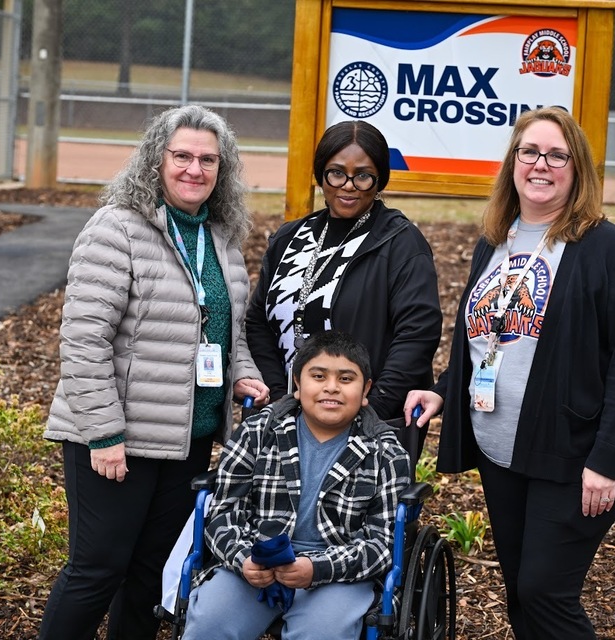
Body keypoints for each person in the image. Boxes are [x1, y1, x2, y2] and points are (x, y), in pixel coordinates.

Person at [404, 107, 615, 639]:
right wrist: (444, 391)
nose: (541, 165)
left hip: (575, 453)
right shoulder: (496, 239)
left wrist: (605, 460)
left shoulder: (608, 249)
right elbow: (484, 337)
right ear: (513, 162)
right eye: (530, 152)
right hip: (503, 450)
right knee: (521, 591)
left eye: (557, 155)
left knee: (545, 592)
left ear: (577, 168)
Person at [39, 104, 270, 640]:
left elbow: (227, 328)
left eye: (208, 160)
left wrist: (242, 374)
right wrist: (104, 434)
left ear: (222, 169)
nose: (195, 169)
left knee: (151, 577)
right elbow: (84, 340)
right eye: (182, 156)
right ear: (155, 160)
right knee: (97, 571)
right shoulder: (117, 228)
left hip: (189, 438)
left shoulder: (221, 237)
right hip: (121, 439)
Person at [181, 330, 411, 640]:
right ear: (297, 384)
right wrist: (243, 558)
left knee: (321, 633)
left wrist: (317, 568)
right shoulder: (258, 432)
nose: (332, 387)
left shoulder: (385, 452)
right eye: (318, 376)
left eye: (346, 379)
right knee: (210, 623)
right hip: (258, 562)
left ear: (365, 389)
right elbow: (224, 513)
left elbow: (382, 544)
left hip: (339, 574)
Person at [246, 120, 442, 423]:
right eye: (336, 173)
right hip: (287, 419)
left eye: (363, 176)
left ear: (379, 180)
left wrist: (370, 412)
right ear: (321, 174)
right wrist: (279, 400)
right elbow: (259, 322)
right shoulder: (289, 238)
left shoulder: (400, 243)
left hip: (368, 423)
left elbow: (417, 334)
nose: (348, 185)